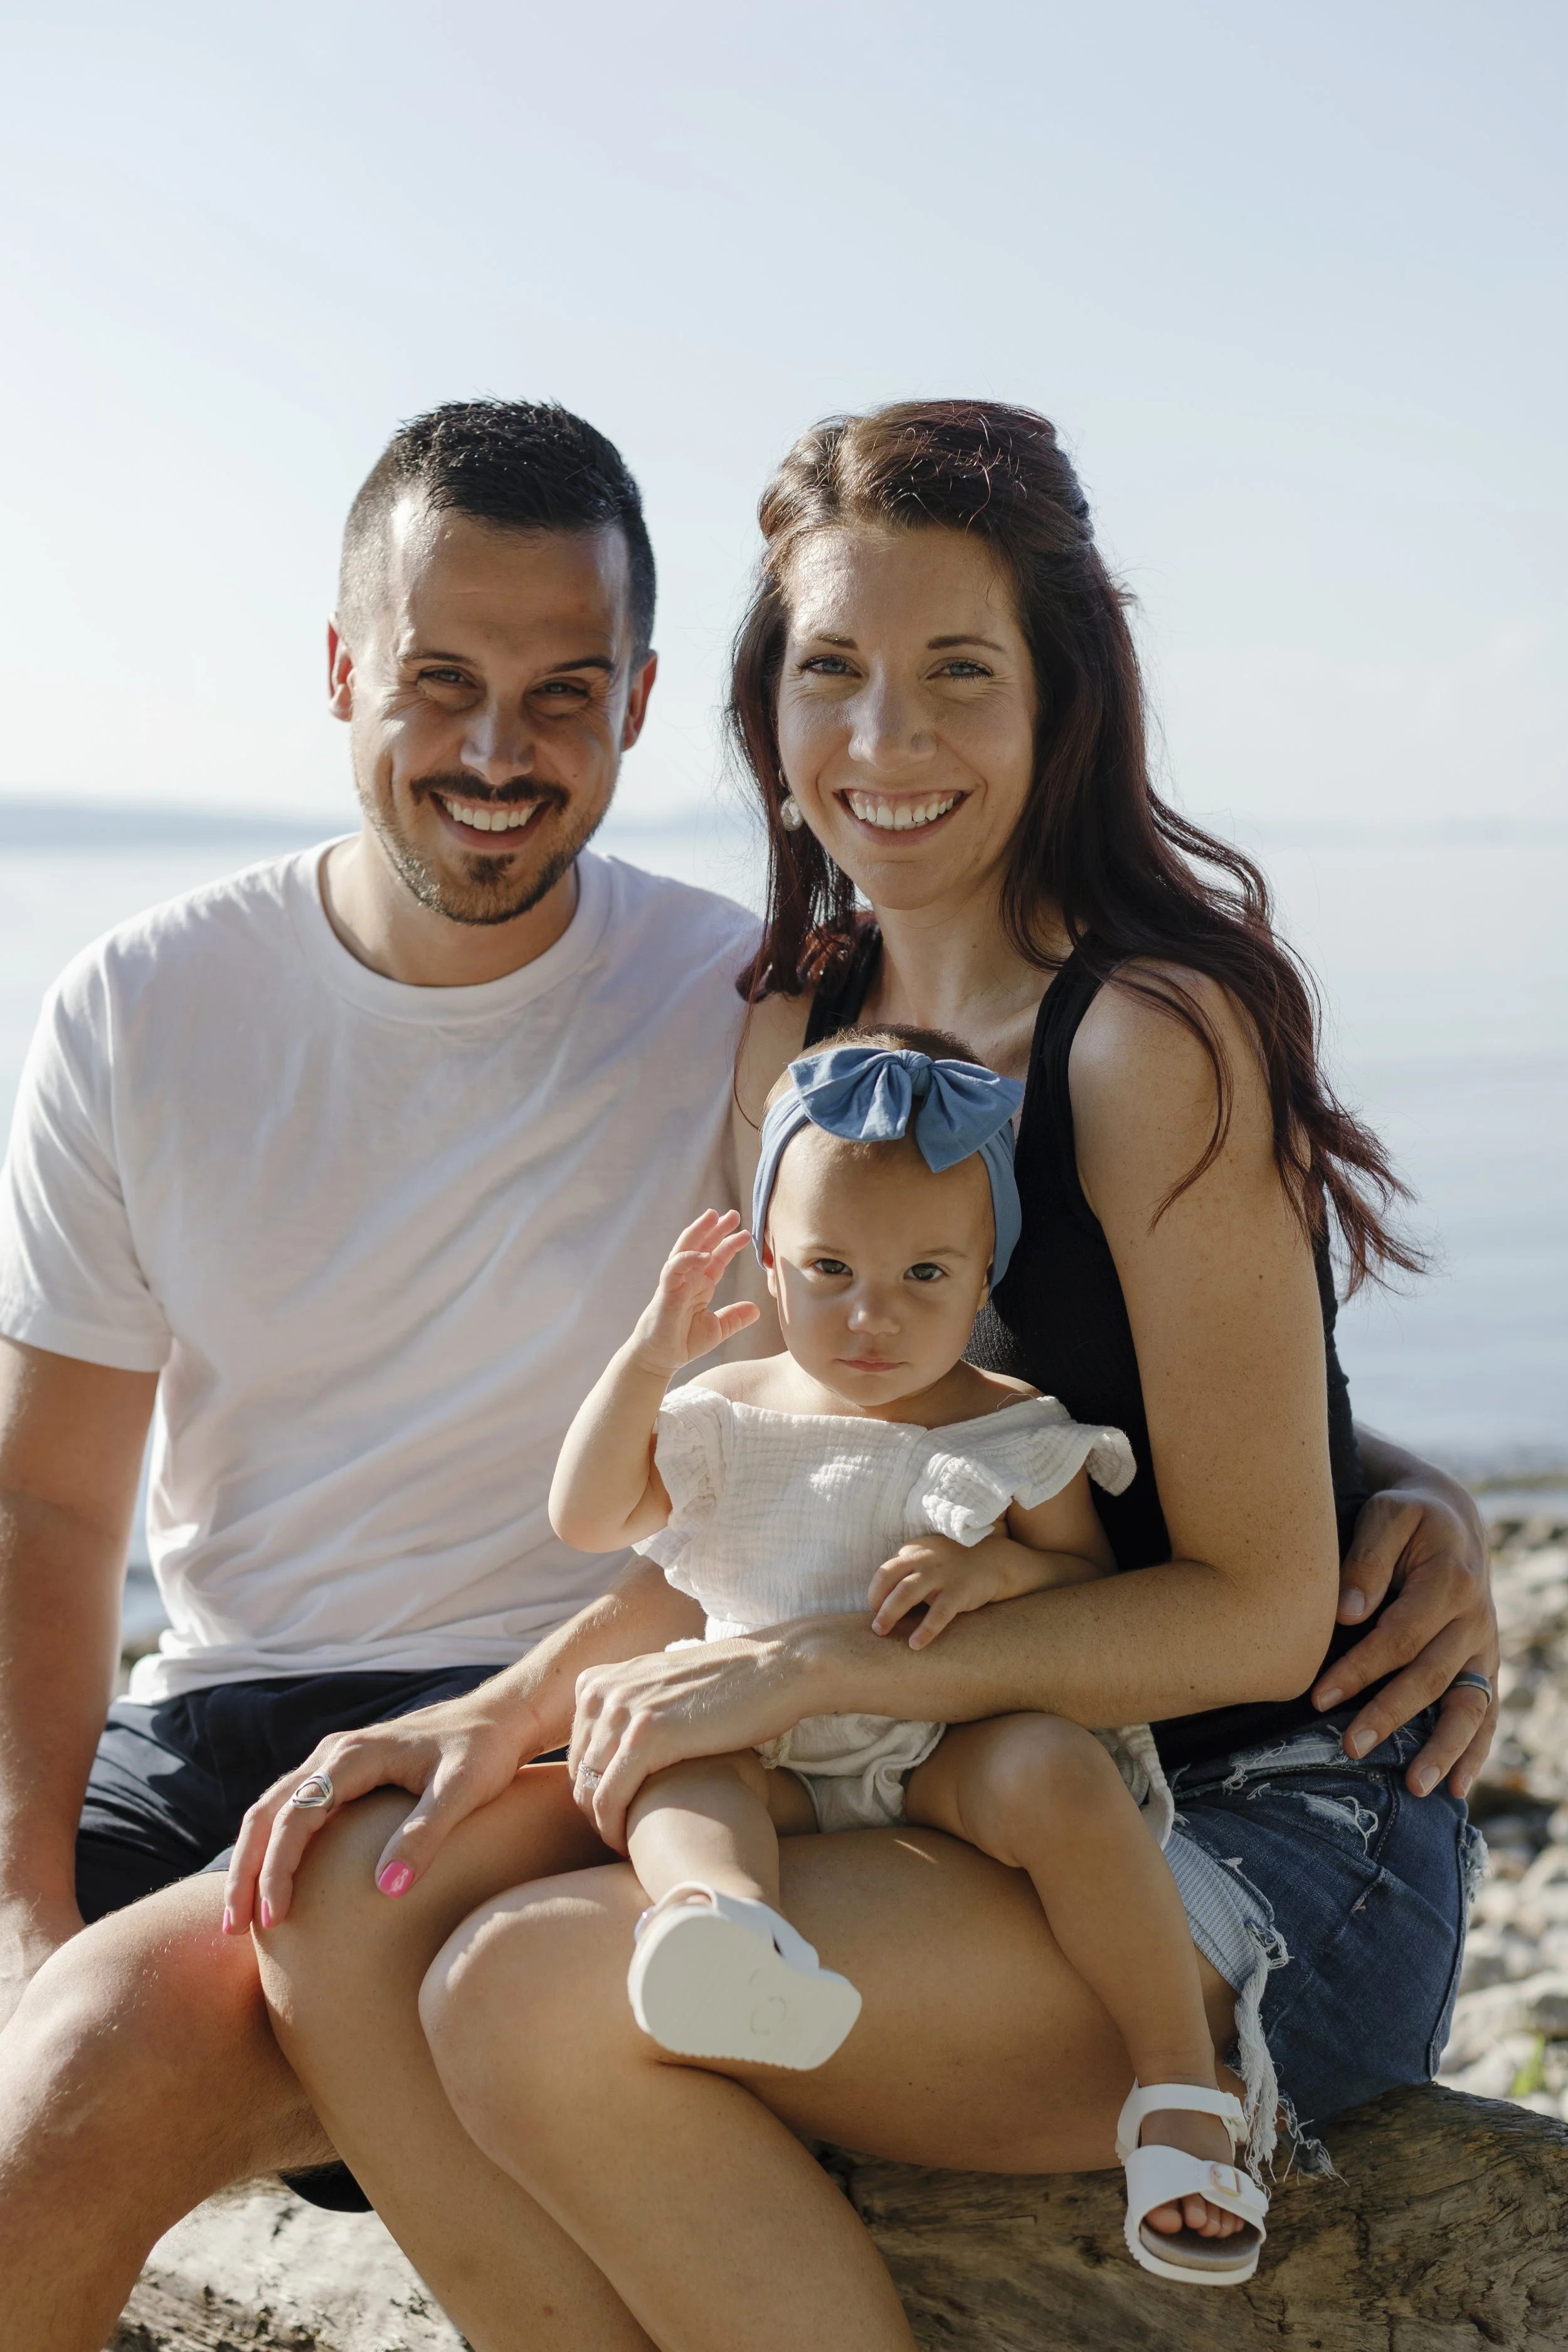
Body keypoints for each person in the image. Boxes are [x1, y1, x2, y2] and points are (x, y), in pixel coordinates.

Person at [240, 401, 1500, 2352]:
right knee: (344, 1902)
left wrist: (824, 1668)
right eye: (830, 670)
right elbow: (757, 1510)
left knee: (527, 1986)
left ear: (1059, 693)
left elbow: (1253, 1607)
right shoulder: (792, 1036)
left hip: (1236, 1837)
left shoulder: (1146, 1040)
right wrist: (483, 1713)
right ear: (762, 704)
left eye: (955, 674)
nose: (882, 742)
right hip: (899, 1768)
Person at [0, 399, 762, 2352]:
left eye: (562, 691)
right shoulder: (141, 1007)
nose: (498, 755)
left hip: (549, 1747)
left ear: (643, 697)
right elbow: (52, 1503)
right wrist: (23, 1890)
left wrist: (1392, 1491)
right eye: (440, 681)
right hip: (219, 1724)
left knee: (78, 2069)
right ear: (343, 668)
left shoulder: (749, 1004)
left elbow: (978, 1342)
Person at [553, 1032, 1270, 2282]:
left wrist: (994, 1571)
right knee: (681, 1782)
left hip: (946, 1752)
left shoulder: (1007, 1426)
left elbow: (1087, 1588)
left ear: (981, 1272)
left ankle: (1174, 2072)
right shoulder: (727, 1418)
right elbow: (585, 1515)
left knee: (1053, 1767)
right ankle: (724, 1927)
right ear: (769, 1261)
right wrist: (647, 1360)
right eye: (826, 1268)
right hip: (764, 1745)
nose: (869, 1316)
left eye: (921, 1274)